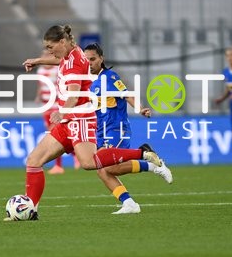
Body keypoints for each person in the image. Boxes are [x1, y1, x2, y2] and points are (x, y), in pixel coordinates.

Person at [16, 24, 171, 219]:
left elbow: (74, 95)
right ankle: (31, 211)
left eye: (50, 46)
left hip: (81, 118)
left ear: (62, 42)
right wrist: (38, 60)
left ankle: (143, 153)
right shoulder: (72, 53)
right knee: (33, 161)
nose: (49, 51)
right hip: (70, 120)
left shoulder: (75, 64)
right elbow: (58, 60)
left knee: (91, 164)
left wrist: (62, 112)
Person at [83, 43, 172, 209]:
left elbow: (126, 95)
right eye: (86, 60)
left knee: (108, 168)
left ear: (101, 59)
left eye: (93, 59)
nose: (89, 63)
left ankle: (152, 164)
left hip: (116, 129)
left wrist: (140, 109)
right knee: (103, 170)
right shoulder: (93, 84)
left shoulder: (109, 77)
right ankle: (129, 202)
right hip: (102, 133)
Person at [35, 51, 80, 174]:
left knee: (54, 133)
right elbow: (40, 85)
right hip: (46, 106)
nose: (45, 57)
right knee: (58, 134)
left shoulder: (57, 70)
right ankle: (76, 156)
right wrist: (38, 95)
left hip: (56, 106)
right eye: (43, 55)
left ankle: (58, 166)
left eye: (48, 55)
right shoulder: (39, 71)